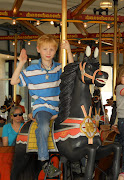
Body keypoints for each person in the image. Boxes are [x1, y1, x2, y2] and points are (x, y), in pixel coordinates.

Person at [10, 34, 74, 178]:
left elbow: (71, 72)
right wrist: (21, 63)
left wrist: (69, 51)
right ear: (38, 49)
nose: (48, 52)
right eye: (45, 49)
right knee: (44, 126)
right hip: (42, 107)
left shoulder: (58, 68)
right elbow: (14, 81)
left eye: (52, 49)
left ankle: (76, 160)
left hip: (59, 107)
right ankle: (45, 162)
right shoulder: (32, 70)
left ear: (56, 51)